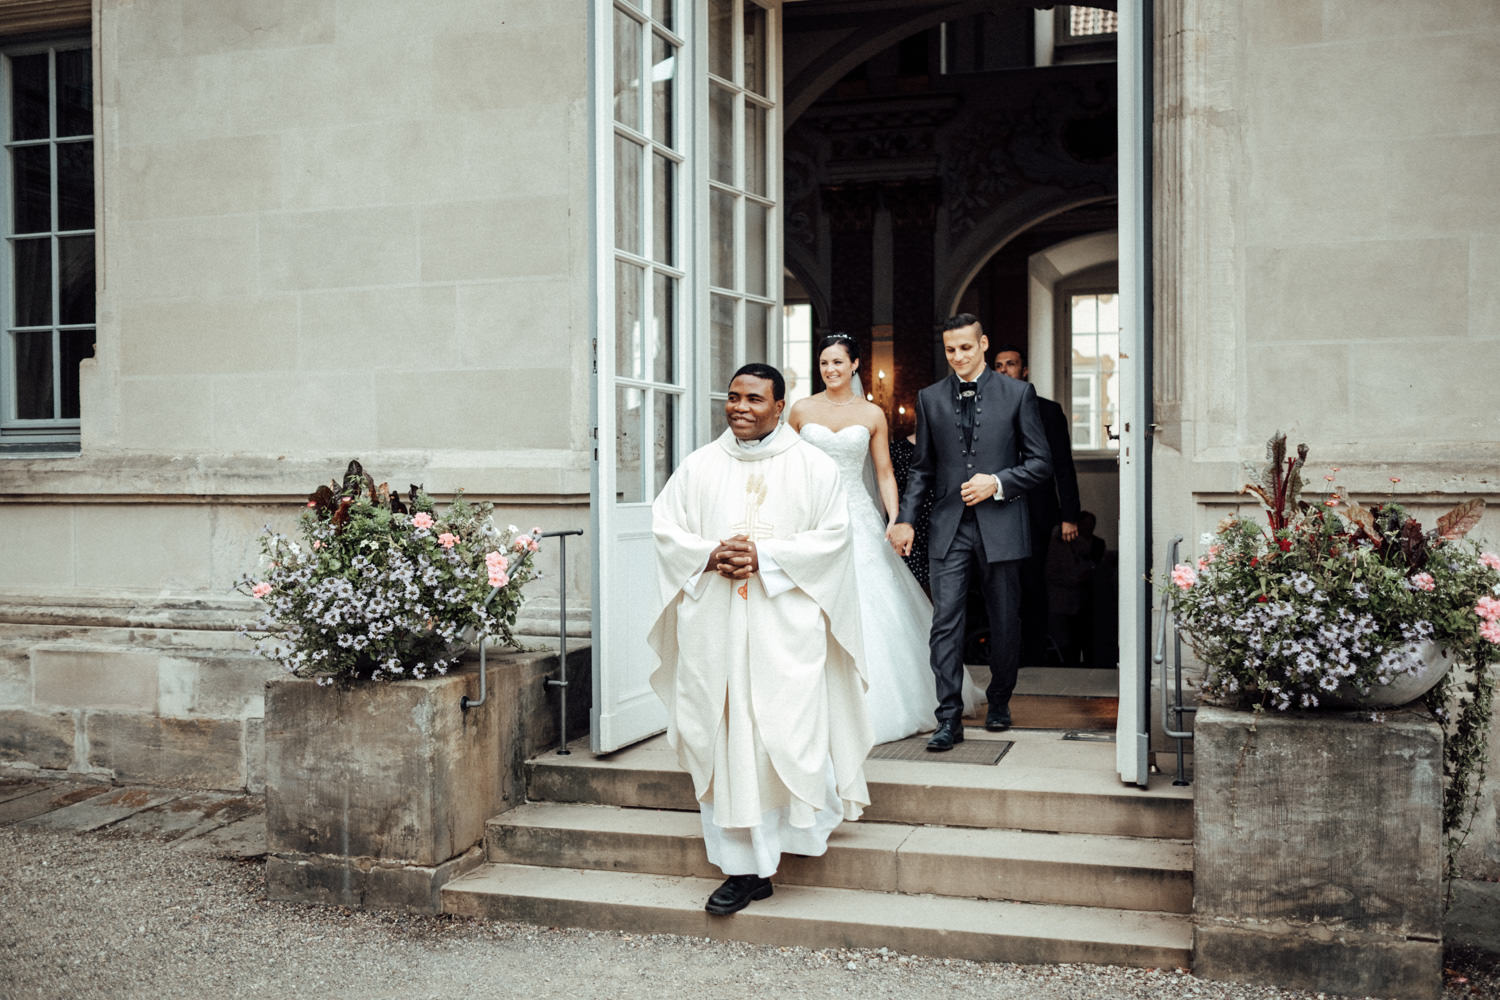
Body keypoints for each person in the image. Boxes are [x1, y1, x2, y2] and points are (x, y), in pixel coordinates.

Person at [648, 363, 873, 916]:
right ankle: (741, 868)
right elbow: (666, 525)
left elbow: (834, 539)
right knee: (726, 738)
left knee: (781, 732)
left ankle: (789, 840)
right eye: (733, 397)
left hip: (781, 631)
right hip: (716, 632)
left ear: (780, 406)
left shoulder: (813, 467)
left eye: (754, 398)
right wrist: (708, 554)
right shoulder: (700, 466)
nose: (740, 407)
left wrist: (766, 557)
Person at [788, 333, 979, 744]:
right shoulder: (800, 410)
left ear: (854, 365)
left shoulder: (872, 414)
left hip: (855, 513)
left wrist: (895, 519)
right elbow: (784, 464)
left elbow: (885, 473)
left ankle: (875, 703)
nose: (830, 370)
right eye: (824, 363)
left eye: (838, 362)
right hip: (809, 514)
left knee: (869, 603)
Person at [889, 315, 1052, 751]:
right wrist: (905, 518)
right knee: (945, 622)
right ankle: (948, 717)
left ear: (983, 344)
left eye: (965, 347)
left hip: (1001, 524)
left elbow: (1040, 462)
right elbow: (922, 468)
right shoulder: (929, 398)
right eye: (950, 350)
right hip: (947, 526)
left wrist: (996, 482)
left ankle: (999, 700)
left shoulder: (1019, 393)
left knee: (1003, 619)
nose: (958, 357)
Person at [993, 345, 1082, 666]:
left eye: (1011, 364)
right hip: (995, 510)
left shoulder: (1048, 411)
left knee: (1032, 582)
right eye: (999, 365)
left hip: (1037, 511)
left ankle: (1032, 656)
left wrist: (1069, 515)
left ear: (1024, 370)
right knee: (1001, 583)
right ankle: (1003, 653)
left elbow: (1062, 464)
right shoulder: (984, 407)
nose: (1004, 370)